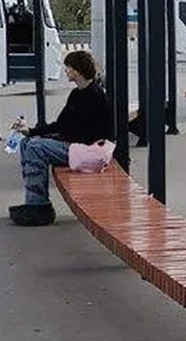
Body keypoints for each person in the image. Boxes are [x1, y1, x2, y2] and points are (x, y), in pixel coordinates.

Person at [8, 50, 111, 226]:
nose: (66, 71)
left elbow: (88, 133)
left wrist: (51, 137)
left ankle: (40, 206)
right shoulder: (76, 94)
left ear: (77, 71)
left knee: (35, 148)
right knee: (27, 143)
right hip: (77, 146)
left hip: (91, 151)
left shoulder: (96, 95)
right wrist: (30, 131)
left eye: (68, 68)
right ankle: (32, 200)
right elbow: (61, 125)